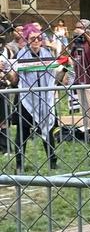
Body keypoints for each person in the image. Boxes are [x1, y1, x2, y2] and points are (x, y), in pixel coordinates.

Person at [9, 25, 60, 171]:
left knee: (48, 130)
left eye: (39, 38)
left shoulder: (47, 55)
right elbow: (13, 81)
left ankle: (53, 162)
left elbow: (55, 79)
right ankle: (19, 164)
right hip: (25, 99)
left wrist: (65, 67)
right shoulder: (19, 56)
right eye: (33, 39)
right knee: (22, 132)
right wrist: (9, 72)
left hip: (44, 99)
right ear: (27, 40)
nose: (37, 41)